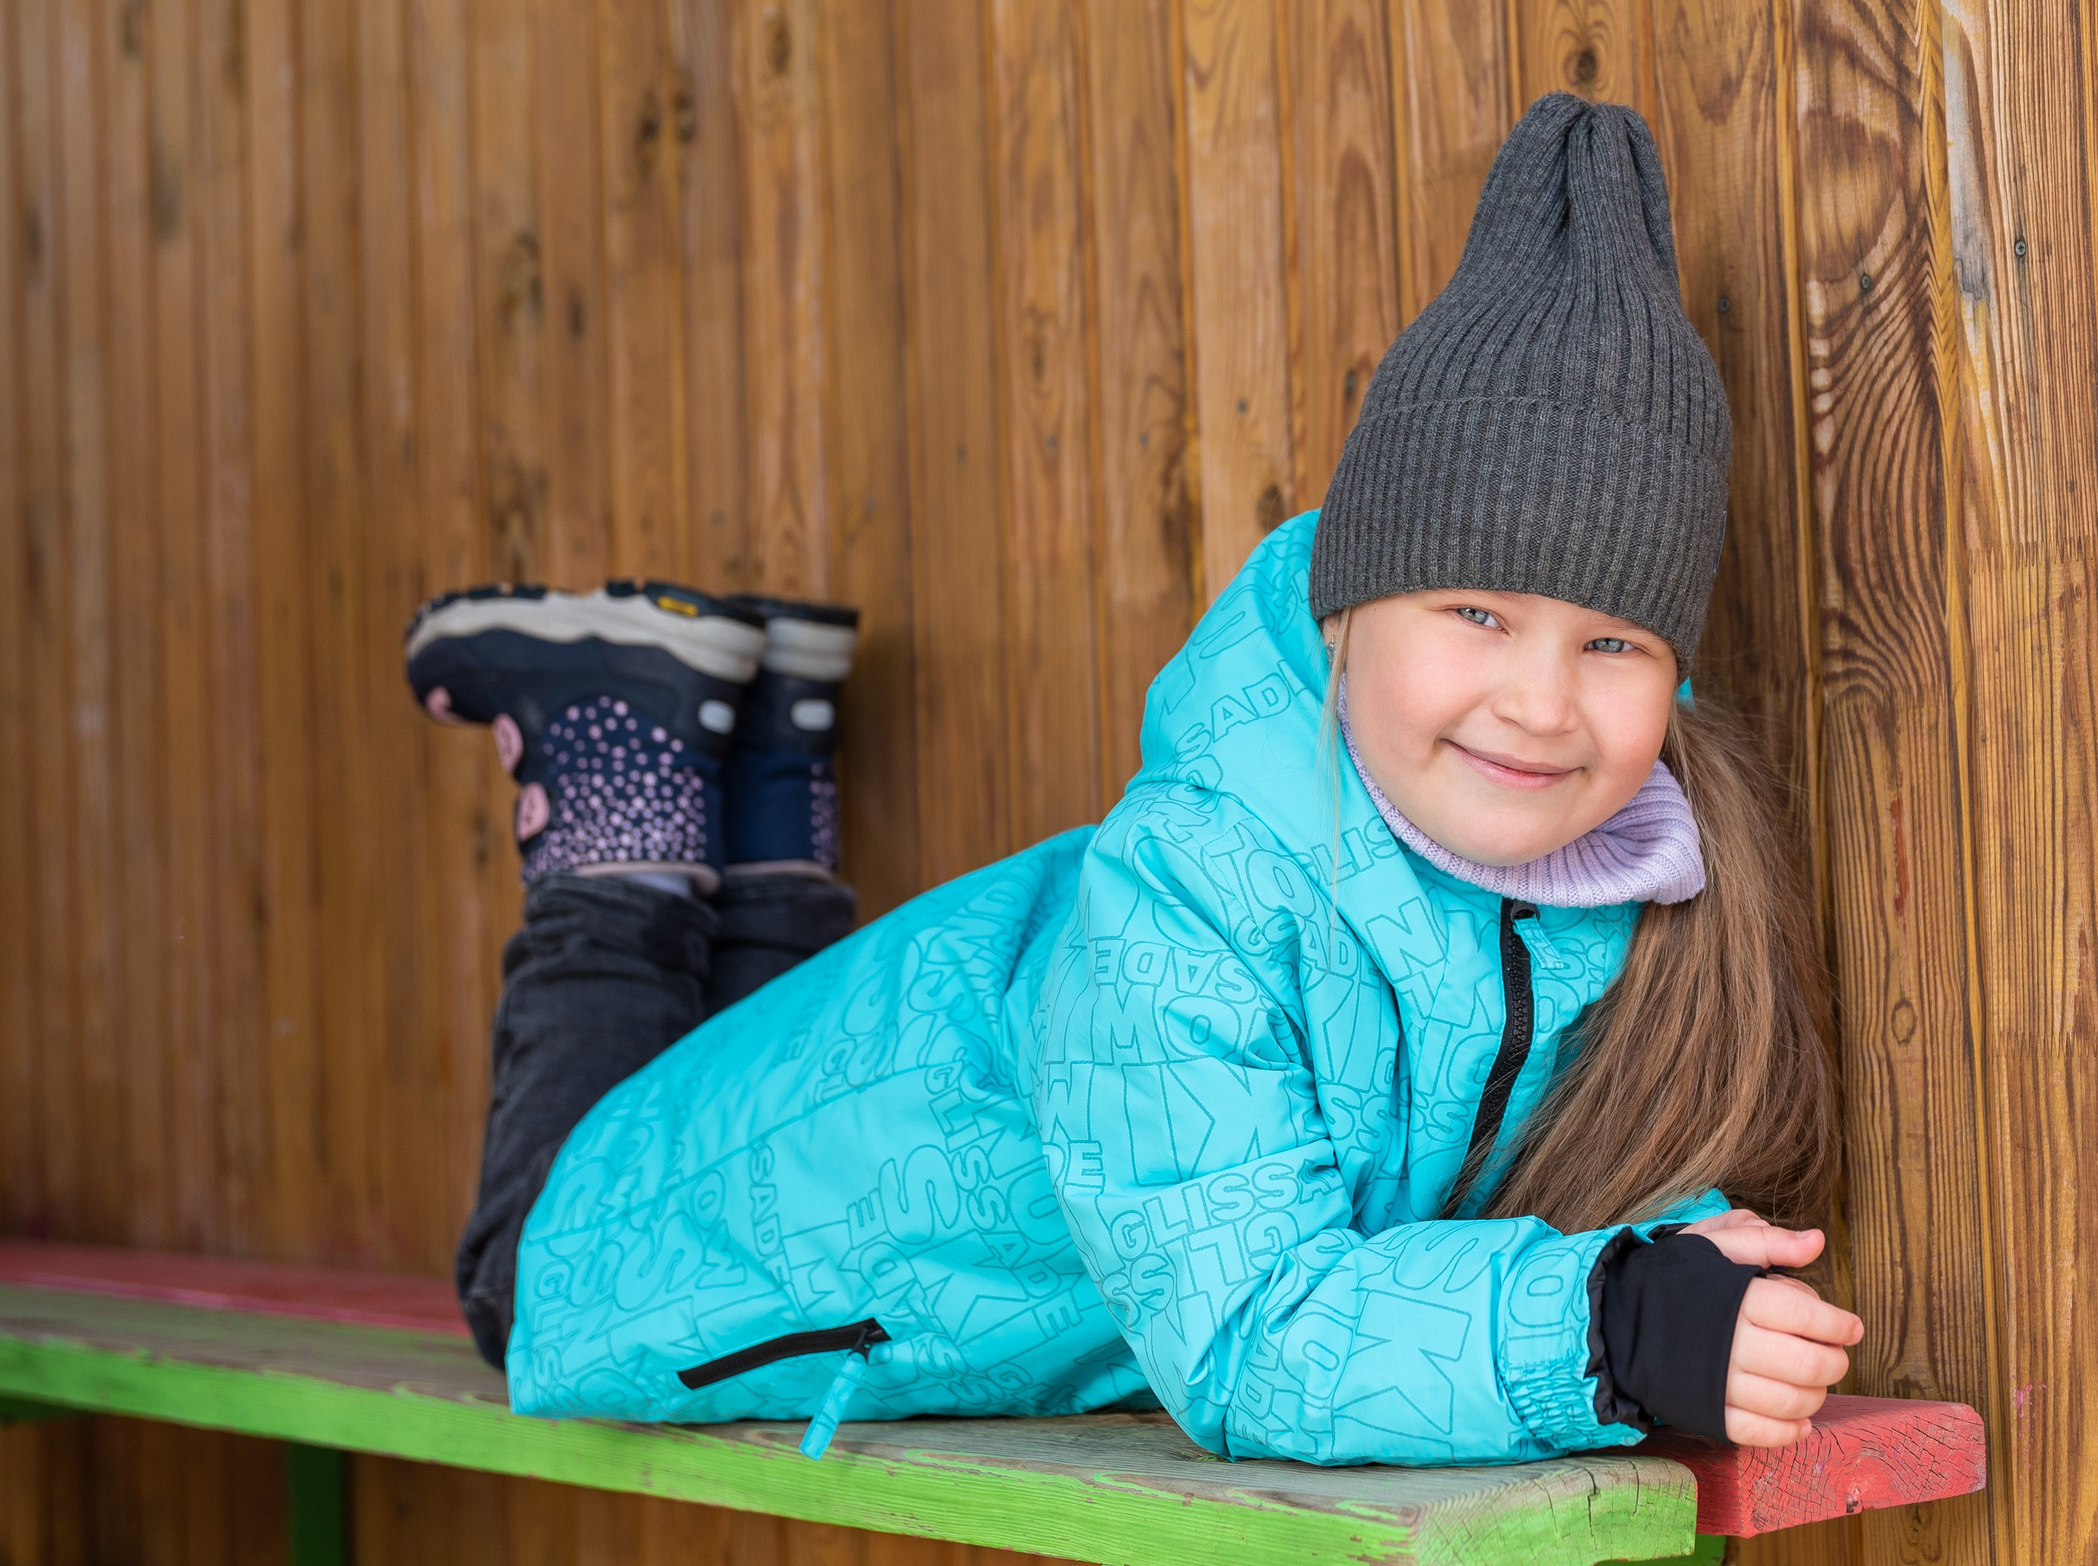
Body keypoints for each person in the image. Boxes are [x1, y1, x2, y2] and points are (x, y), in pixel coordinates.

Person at [407, 92, 1861, 1468]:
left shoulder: (1605, 892)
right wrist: (1603, 1325)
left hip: (857, 1097)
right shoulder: (1197, 892)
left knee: (754, 1051)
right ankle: (618, 759)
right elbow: (1243, 1328)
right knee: (526, 1264)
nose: (1541, 701)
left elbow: (1493, 1181)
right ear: (1343, 616)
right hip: (700, 1233)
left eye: (1611, 638)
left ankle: (766, 742)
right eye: (1474, 613)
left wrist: (1666, 1266)